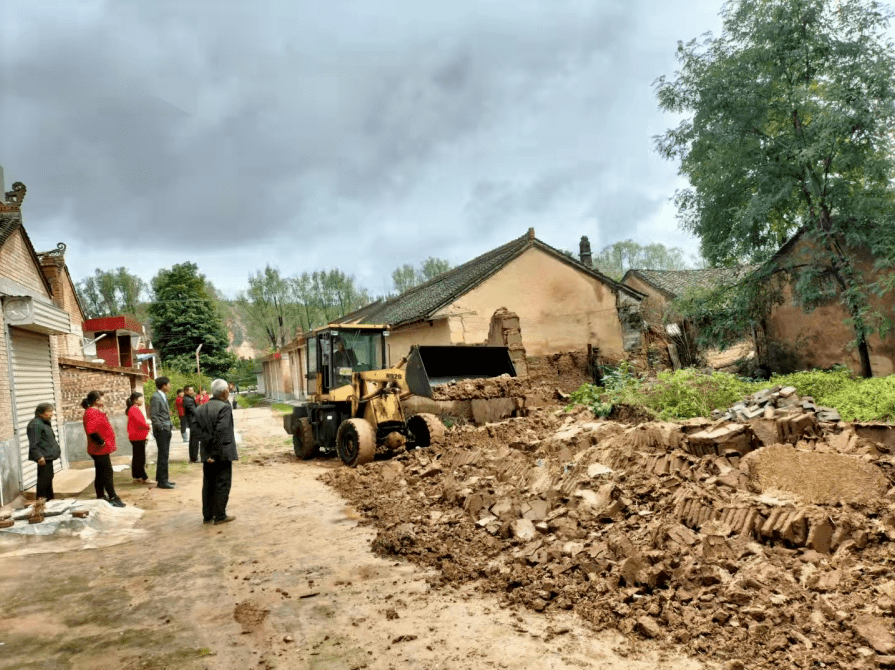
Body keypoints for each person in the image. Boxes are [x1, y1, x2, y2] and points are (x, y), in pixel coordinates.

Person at [195, 378, 238, 525]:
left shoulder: (201, 408)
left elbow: (196, 431)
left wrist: (206, 452)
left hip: (207, 453)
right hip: (221, 453)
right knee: (222, 483)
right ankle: (220, 515)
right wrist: (214, 453)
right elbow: (221, 431)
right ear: (225, 392)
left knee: (208, 483)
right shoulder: (224, 407)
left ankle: (207, 515)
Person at [81, 391, 125, 508]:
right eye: (102, 398)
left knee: (101, 472)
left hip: (100, 448)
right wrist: (102, 442)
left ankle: (100, 495)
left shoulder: (95, 411)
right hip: (99, 449)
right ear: (96, 400)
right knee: (107, 472)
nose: (104, 400)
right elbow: (92, 431)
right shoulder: (91, 413)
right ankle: (112, 496)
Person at [27, 402, 61, 501]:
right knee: (43, 481)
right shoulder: (35, 425)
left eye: (52, 411)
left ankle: (49, 501)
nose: (51, 413)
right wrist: (39, 456)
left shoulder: (44, 423)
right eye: (49, 411)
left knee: (48, 479)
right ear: (40, 413)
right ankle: (41, 503)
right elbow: (33, 443)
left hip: (48, 457)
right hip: (43, 458)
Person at [149, 376, 176, 489]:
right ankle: (162, 481)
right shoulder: (156, 397)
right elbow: (154, 416)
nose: (170, 386)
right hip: (162, 430)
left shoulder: (162, 396)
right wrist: (161, 428)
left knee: (164, 455)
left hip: (166, 428)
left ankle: (162, 478)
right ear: (164, 385)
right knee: (163, 455)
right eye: (169, 384)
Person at [126, 392, 151, 483]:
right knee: (140, 458)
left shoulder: (133, 409)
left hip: (136, 436)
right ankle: (143, 477)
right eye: (141, 398)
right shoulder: (134, 409)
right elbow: (140, 422)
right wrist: (148, 426)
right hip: (138, 436)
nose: (142, 399)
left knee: (137, 457)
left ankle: (137, 476)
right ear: (136, 400)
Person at [182, 385, 200, 463]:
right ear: (186, 391)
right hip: (193, 421)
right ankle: (193, 457)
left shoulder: (189, 398)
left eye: (192, 390)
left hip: (192, 420)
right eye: (190, 390)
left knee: (194, 439)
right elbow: (194, 411)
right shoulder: (187, 400)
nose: (192, 391)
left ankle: (193, 457)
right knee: (194, 440)